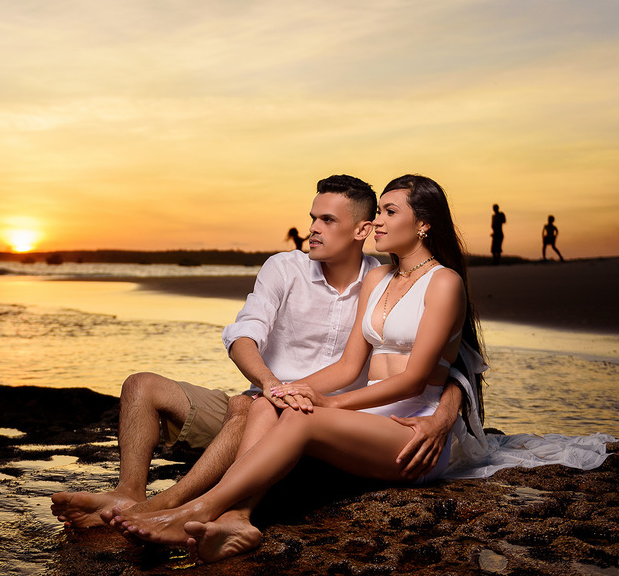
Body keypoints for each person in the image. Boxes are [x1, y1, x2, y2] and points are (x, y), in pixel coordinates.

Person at [51, 175, 464, 529]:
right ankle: (129, 493)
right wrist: (272, 384)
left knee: (253, 409)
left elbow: (451, 362)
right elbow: (244, 335)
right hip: (278, 396)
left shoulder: (394, 279)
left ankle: (172, 507)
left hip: (321, 413)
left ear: (360, 230)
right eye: (312, 218)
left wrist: (444, 416)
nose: (313, 229)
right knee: (146, 386)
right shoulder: (292, 268)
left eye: (328, 220)